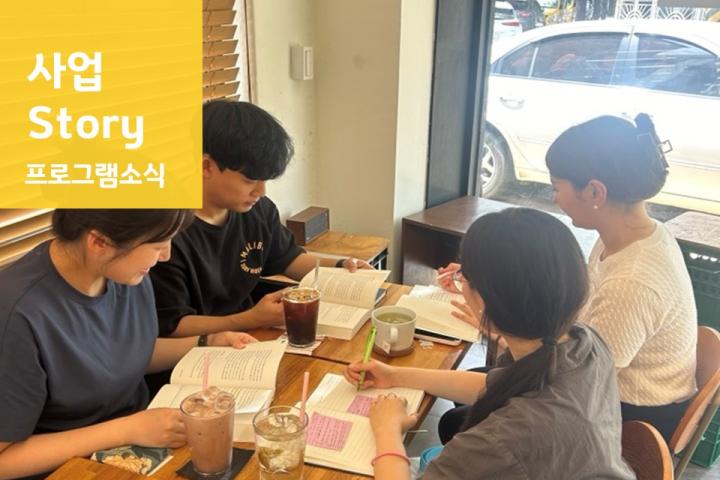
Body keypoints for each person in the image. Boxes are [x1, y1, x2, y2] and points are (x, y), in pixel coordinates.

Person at [345, 208, 635, 480]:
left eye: (463, 276)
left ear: (483, 301)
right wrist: (395, 375)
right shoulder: (584, 342)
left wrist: (387, 429)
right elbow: (494, 385)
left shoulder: (503, 439)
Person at [0, 210, 257, 479]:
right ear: (99, 242)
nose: (165, 255)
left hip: (139, 444)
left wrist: (206, 342)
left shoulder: (121, 271)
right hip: (72, 468)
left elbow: (127, 352)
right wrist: (126, 430)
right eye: (157, 245)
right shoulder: (17, 315)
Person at [149, 99, 371, 341]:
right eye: (250, 180)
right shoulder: (165, 232)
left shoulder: (257, 210)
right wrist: (251, 318)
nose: (261, 191)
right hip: (199, 349)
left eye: (265, 180)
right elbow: (173, 325)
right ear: (206, 166)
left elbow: (289, 259)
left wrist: (341, 266)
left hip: (251, 336)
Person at [545, 113, 697, 442]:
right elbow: (586, 310)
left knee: (470, 413)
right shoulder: (632, 235)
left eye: (556, 187)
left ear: (594, 192)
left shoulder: (632, 280)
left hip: (631, 419)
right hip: (609, 385)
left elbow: (580, 380)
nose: (554, 198)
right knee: (486, 392)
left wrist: (503, 330)